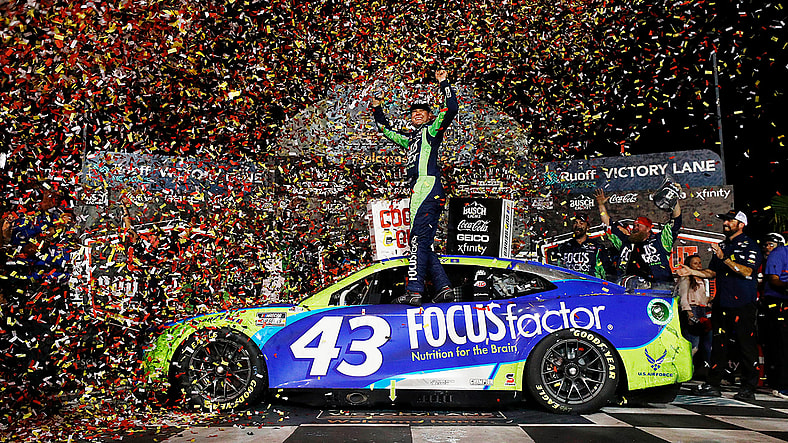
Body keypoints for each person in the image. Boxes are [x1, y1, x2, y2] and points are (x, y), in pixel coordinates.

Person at [372, 69, 458, 306]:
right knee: (424, 242)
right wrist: (377, 107)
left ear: (430, 117)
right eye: (414, 112)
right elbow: (385, 129)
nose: (417, 114)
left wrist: (443, 82)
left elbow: (450, 109)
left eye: (422, 112)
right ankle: (443, 288)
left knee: (418, 242)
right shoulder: (409, 140)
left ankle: (415, 290)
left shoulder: (431, 132)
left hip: (428, 188)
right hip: (418, 191)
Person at [693, 210, 763, 400]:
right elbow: (712, 272)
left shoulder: (750, 245)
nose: (725, 223)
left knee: (745, 345)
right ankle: (713, 384)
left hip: (743, 303)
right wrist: (691, 272)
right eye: (724, 220)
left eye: (730, 220)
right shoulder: (723, 245)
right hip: (721, 302)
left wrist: (725, 258)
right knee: (718, 344)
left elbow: (748, 270)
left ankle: (749, 388)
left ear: (741, 224)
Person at [594, 188, 681, 289]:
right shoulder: (626, 241)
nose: (635, 228)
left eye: (639, 225)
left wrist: (675, 199)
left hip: (659, 287)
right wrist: (601, 205)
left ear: (648, 228)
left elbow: (676, 221)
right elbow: (608, 225)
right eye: (634, 225)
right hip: (627, 288)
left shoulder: (660, 240)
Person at [760, 233, 788, 398]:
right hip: (778, 302)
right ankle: (781, 385)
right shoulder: (779, 253)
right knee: (782, 344)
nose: (767, 247)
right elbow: (773, 279)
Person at [675, 254, 714, 370]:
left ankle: (704, 370)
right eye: (695, 263)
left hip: (704, 311)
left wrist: (709, 301)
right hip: (692, 310)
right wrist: (689, 313)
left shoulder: (702, 278)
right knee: (693, 345)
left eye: (700, 263)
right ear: (689, 265)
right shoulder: (686, 277)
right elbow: (682, 297)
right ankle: (684, 369)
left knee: (707, 343)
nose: (698, 266)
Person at [553, 213, 612, 279]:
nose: (578, 225)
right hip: (570, 284)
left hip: (591, 285)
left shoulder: (597, 247)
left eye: (581, 223)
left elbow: (607, 272)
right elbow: (557, 270)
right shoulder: (563, 247)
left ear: (587, 227)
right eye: (576, 223)